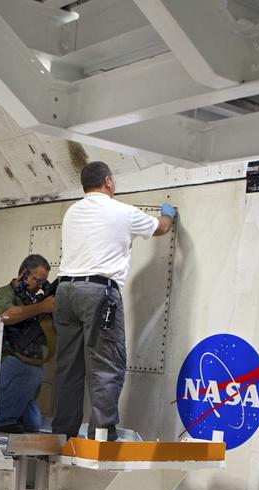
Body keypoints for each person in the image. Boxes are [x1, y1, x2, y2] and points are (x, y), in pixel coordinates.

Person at [51, 161, 175, 441]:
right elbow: (160, 228)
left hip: (65, 292)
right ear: (108, 181)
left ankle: (62, 435)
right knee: (106, 364)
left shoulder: (72, 212)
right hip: (98, 294)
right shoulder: (122, 211)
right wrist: (168, 213)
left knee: (68, 368)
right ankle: (103, 433)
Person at [0, 255, 56, 434]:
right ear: (24, 273)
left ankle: (0, 408)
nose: (40, 287)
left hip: (16, 370)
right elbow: (3, 316)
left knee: (33, 423)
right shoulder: (3, 294)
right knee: (30, 371)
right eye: (38, 281)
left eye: (43, 283)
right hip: (0, 362)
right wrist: (41, 308)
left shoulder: (31, 300)